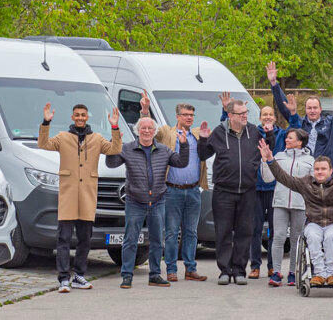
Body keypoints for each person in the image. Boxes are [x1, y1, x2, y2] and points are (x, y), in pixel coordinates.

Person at [260, 137, 333, 287]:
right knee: (314, 237)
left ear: (331, 170)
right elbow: (284, 179)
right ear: (313, 171)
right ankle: (320, 274)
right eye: (317, 169)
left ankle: (331, 273)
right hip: (314, 223)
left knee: (329, 237)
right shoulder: (305, 183)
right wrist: (270, 160)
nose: (320, 172)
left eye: (323, 169)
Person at [37, 102, 122, 293]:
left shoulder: (97, 138)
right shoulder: (63, 137)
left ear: (87, 117)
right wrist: (46, 122)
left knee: (85, 239)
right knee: (64, 239)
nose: (80, 118)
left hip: (87, 196)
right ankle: (63, 278)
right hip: (68, 195)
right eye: (77, 115)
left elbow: (115, 149)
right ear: (72, 117)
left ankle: (79, 276)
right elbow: (43, 144)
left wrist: (114, 126)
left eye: (83, 115)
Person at [105, 117, 190, 289]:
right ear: (137, 130)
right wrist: (113, 145)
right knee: (130, 239)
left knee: (157, 240)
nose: (146, 131)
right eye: (142, 128)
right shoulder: (128, 148)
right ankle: (127, 275)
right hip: (135, 201)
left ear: (154, 131)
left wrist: (184, 145)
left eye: (150, 128)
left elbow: (181, 162)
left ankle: (155, 275)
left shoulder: (164, 150)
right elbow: (111, 164)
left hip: (157, 200)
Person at [198, 98, 272, 285]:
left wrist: (269, 136)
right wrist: (203, 139)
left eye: (246, 112)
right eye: (241, 114)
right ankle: (225, 270)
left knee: (244, 232)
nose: (245, 116)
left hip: (248, 190)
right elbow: (203, 155)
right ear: (230, 115)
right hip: (224, 191)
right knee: (222, 232)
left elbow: (267, 149)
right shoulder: (219, 132)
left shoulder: (254, 131)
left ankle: (239, 270)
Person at [150, 98, 209, 283]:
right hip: (172, 190)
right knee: (172, 233)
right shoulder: (168, 132)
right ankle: (171, 269)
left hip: (193, 190)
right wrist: (145, 111)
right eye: (185, 115)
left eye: (192, 115)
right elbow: (150, 131)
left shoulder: (198, 134)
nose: (189, 118)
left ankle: (191, 269)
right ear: (177, 116)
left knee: (191, 232)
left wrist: (224, 110)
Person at [259, 128, 314, 287]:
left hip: (300, 204)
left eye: (290, 138)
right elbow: (268, 178)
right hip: (280, 203)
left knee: (297, 239)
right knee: (279, 237)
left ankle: (293, 272)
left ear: (300, 141)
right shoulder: (279, 156)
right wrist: (265, 160)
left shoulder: (310, 159)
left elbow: (313, 183)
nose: (286, 140)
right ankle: (276, 272)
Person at [269, 65, 333, 163]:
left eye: (315, 108)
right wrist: (274, 84)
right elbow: (285, 106)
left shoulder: (330, 123)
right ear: (305, 109)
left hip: (324, 169)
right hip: (303, 169)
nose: (312, 111)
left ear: (320, 109)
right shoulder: (300, 124)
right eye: (309, 108)